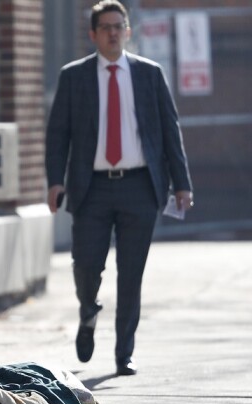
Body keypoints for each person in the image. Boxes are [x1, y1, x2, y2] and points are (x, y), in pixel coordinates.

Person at [45, 0, 193, 376]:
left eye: (118, 26)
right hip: (91, 188)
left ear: (128, 31)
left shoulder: (149, 74)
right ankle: (88, 310)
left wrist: (182, 184)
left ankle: (124, 352)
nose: (113, 33)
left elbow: (170, 130)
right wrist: (55, 181)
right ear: (93, 35)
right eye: (105, 27)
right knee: (86, 266)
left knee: (131, 273)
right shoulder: (74, 76)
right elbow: (58, 133)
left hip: (139, 186)